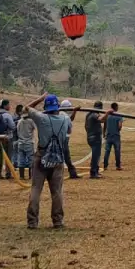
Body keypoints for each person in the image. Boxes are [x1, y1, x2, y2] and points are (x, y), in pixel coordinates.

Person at [23, 93, 72, 229]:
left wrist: (40, 98)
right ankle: (58, 221)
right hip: (58, 159)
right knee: (57, 191)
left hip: (41, 157)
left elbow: (26, 108)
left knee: (36, 189)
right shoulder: (65, 118)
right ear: (57, 106)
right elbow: (69, 130)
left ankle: (32, 221)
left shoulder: (41, 117)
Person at [59, 99, 81, 179]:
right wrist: (74, 111)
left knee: (63, 156)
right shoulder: (64, 115)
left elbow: (70, 118)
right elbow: (69, 126)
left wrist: (75, 111)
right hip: (63, 138)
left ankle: (72, 173)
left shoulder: (61, 113)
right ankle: (72, 173)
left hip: (60, 138)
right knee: (65, 156)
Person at [14, 103, 35, 180]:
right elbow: (34, 128)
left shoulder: (19, 121)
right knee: (31, 160)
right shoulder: (31, 121)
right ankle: (31, 176)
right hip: (29, 143)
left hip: (20, 143)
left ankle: (21, 176)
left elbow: (18, 131)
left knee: (21, 160)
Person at [85, 101, 104, 179]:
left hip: (90, 137)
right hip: (95, 138)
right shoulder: (95, 114)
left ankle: (96, 171)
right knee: (95, 156)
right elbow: (101, 120)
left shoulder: (88, 114)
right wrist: (108, 113)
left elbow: (85, 126)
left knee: (96, 155)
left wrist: (89, 133)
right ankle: (93, 173)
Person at [102, 102, 124, 171]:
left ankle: (105, 166)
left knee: (107, 151)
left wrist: (104, 133)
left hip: (108, 135)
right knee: (117, 151)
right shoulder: (119, 116)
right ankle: (118, 166)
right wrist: (118, 129)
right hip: (116, 136)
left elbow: (104, 125)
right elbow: (119, 126)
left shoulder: (107, 115)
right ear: (116, 107)